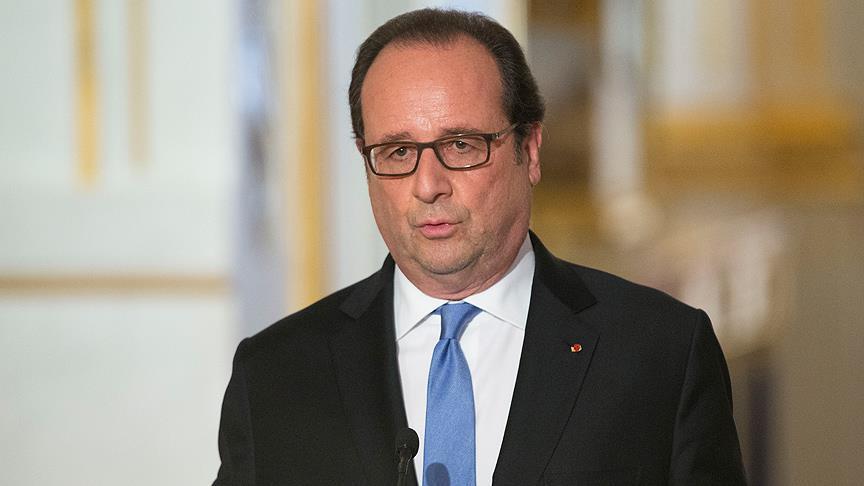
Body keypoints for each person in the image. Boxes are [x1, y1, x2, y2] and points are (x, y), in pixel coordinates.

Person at [214, 8, 746, 486]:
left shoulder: (661, 352)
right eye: (398, 152)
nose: (428, 186)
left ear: (529, 150)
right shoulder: (276, 375)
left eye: (461, 145)